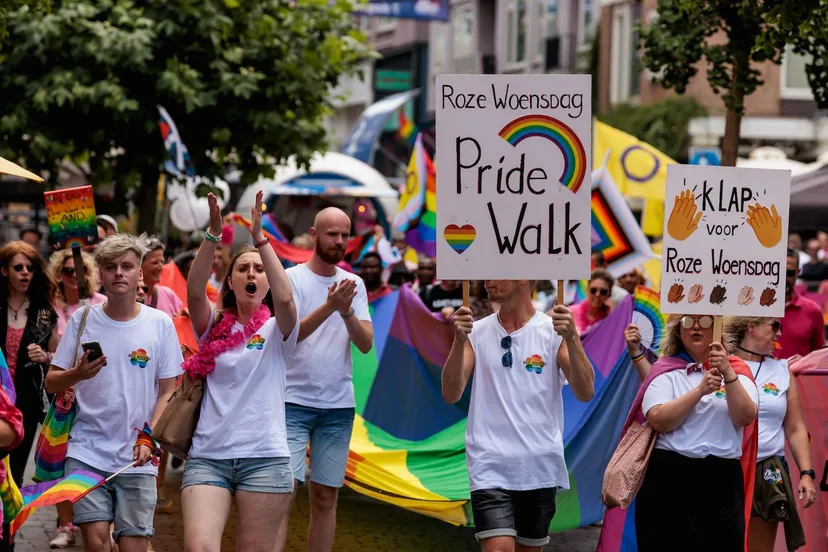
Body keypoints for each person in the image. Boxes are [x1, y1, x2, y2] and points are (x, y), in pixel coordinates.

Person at [44, 234, 182, 552]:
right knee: (96, 543)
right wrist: (77, 373)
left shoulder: (160, 324)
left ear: (139, 275)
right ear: (101, 275)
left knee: (133, 545)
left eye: (127, 266)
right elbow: (51, 382)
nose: (119, 272)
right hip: (85, 453)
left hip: (139, 456)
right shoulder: (82, 320)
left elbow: (168, 391)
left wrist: (150, 436)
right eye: (111, 267)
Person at [180, 191, 299, 551]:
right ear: (230, 282)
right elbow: (194, 290)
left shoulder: (279, 329)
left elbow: (288, 298)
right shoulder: (214, 326)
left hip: (264, 458)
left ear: (266, 285)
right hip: (208, 457)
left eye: (259, 270)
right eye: (243, 268)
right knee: (199, 546)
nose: (251, 273)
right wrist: (214, 233)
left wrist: (261, 239)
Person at [442, 280, 594, 551]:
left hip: (539, 466)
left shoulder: (553, 331)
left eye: (498, 272)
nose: (488, 280)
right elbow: (451, 393)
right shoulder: (475, 331)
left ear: (524, 277)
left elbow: (585, 391)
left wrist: (572, 338)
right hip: (489, 464)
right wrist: (458, 340)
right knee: (498, 547)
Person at [277, 207, 373, 552]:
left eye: (345, 234)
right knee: (281, 491)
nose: (339, 241)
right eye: (332, 234)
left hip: (336, 406)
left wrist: (345, 310)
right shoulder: (291, 279)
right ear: (314, 235)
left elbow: (364, 343)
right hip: (291, 402)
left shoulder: (355, 284)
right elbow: (290, 335)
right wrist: (330, 306)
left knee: (325, 496)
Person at [633, 314, 759, 551]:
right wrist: (700, 391)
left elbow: (745, 417)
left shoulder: (739, 371)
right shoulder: (665, 370)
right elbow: (659, 420)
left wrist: (728, 375)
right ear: (678, 331)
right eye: (688, 322)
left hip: (721, 481)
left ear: (718, 326)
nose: (696, 326)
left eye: (705, 320)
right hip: (670, 478)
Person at [726, 316, 815, 552]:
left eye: (781, 326)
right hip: (725, 467)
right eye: (774, 325)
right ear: (751, 327)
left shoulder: (782, 370)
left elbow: (795, 428)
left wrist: (806, 473)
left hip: (767, 469)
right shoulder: (720, 364)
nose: (779, 333)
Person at [46, 248, 108, 547]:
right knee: (60, 460)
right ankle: (65, 524)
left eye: (80, 271)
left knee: (94, 457)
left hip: (97, 393)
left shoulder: (101, 305)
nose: (75, 277)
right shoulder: (51, 308)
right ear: (59, 275)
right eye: (68, 271)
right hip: (64, 395)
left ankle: (100, 520)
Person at [0, 242, 58, 550]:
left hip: (25, 405)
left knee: (14, 475)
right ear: (4, 271)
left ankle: (7, 538)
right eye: (19, 267)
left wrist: (44, 357)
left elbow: (58, 357)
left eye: (31, 268)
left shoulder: (45, 314)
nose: (25, 273)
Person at [49, 249, 108, 339]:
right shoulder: (51, 306)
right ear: (59, 275)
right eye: (69, 271)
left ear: (87, 274)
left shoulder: (102, 301)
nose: (75, 275)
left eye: (80, 269)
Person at [778, 249, 825, 359]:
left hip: (799, 375)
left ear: (798, 273)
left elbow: (818, 356)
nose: (784, 278)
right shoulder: (756, 309)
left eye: (789, 272)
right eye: (779, 271)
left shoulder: (812, 310)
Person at [141, 238, 183, 318]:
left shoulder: (168, 294)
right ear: (140, 264)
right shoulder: (129, 298)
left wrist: (182, 316)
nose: (161, 267)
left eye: (162, 262)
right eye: (155, 263)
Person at [564, 269, 614, 334]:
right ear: (587, 289)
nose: (597, 294)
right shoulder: (570, 313)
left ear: (609, 294)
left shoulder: (612, 317)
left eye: (603, 292)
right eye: (593, 290)